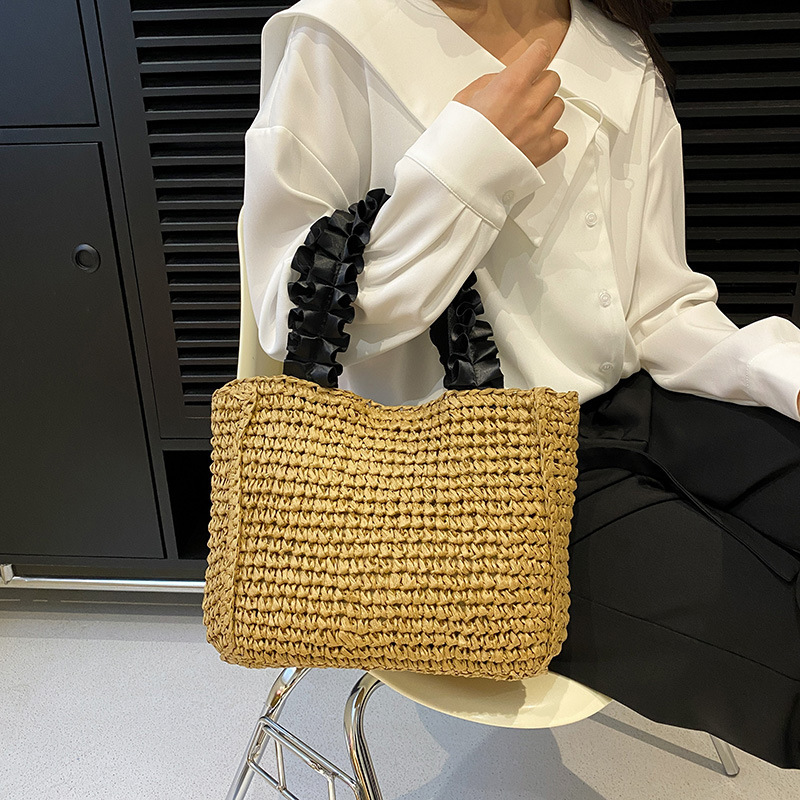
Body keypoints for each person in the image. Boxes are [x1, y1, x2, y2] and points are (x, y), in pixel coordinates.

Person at [242, 0, 800, 769]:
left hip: (638, 406)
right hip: (465, 489)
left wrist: (781, 372)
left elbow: (658, 307)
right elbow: (288, 313)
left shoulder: (616, 50)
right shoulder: (343, 36)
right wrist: (468, 164)